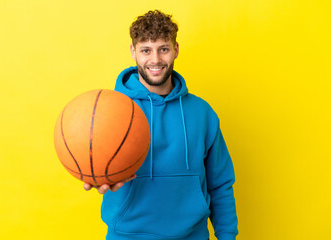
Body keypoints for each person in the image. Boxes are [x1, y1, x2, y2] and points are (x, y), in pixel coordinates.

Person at [84, 10, 238, 240]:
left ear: (175, 49)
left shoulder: (202, 112)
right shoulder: (113, 111)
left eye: (163, 49)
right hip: (127, 235)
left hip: (192, 235)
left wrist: (227, 236)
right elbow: (98, 164)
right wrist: (101, 178)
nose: (155, 60)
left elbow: (221, 184)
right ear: (133, 51)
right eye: (146, 50)